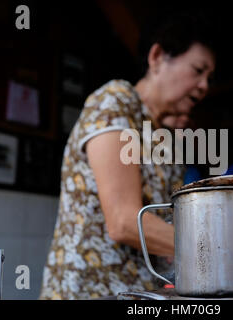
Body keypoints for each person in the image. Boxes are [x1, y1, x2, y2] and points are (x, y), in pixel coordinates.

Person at [40, 12, 217, 300]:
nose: (204, 86)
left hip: (139, 295)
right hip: (87, 292)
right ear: (157, 56)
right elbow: (124, 222)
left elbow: (163, 222)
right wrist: (213, 249)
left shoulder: (163, 134)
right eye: (198, 70)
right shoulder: (115, 101)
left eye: (209, 77)